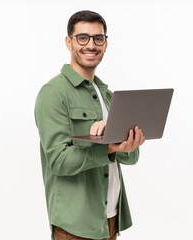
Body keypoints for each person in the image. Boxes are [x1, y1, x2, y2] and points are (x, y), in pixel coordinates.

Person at [34, 10, 145, 240]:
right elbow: (58, 161)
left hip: (111, 220)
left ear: (106, 44)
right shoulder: (53, 93)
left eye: (98, 38)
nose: (91, 45)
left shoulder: (109, 97)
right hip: (75, 226)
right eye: (82, 38)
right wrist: (108, 148)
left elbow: (131, 158)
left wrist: (128, 144)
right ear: (69, 42)